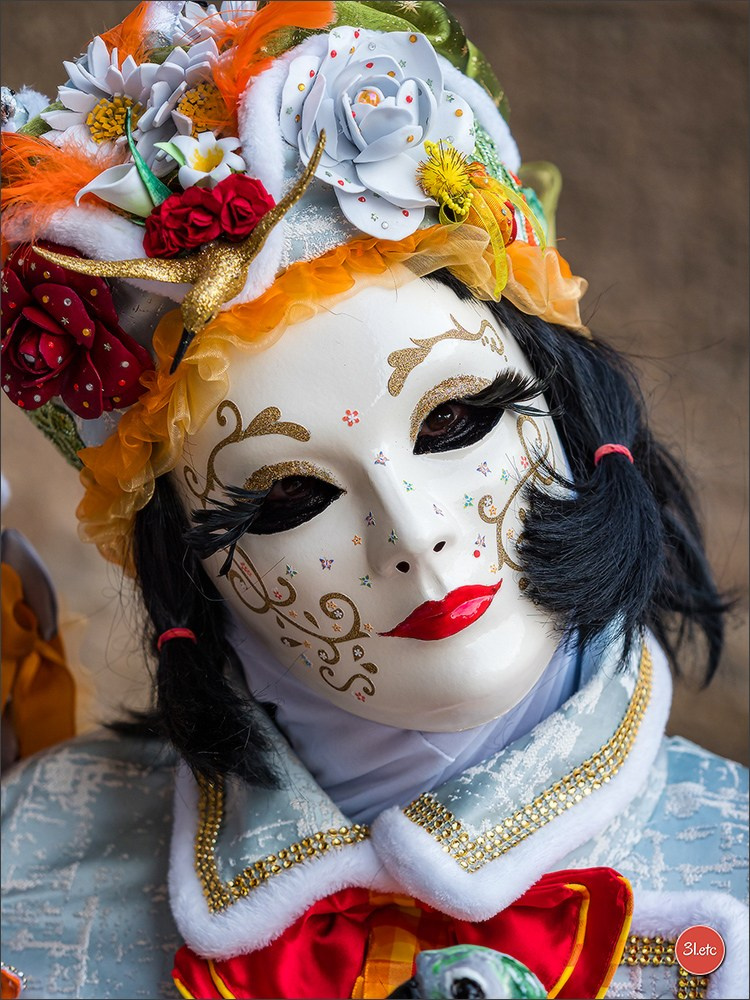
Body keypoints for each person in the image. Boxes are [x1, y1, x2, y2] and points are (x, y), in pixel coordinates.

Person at [1, 3, 747, 998]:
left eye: (455, 423)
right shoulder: (28, 871)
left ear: (568, 405)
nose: (414, 536)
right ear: (186, 554)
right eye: (291, 496)